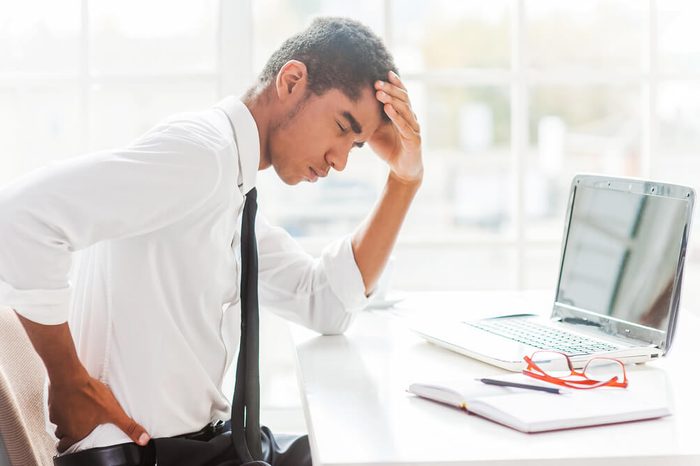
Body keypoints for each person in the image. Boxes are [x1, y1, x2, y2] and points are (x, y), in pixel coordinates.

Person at [0, 16, 422, 466]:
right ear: (292, 81)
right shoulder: (202, 158)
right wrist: (70, 383)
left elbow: (324, 303)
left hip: (204, 445)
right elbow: (17, 217)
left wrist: (404, 179)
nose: (340, 161)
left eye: (356, 146)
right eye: (342, 127)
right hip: (145, 452)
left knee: (355, 451)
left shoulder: (229, 188)